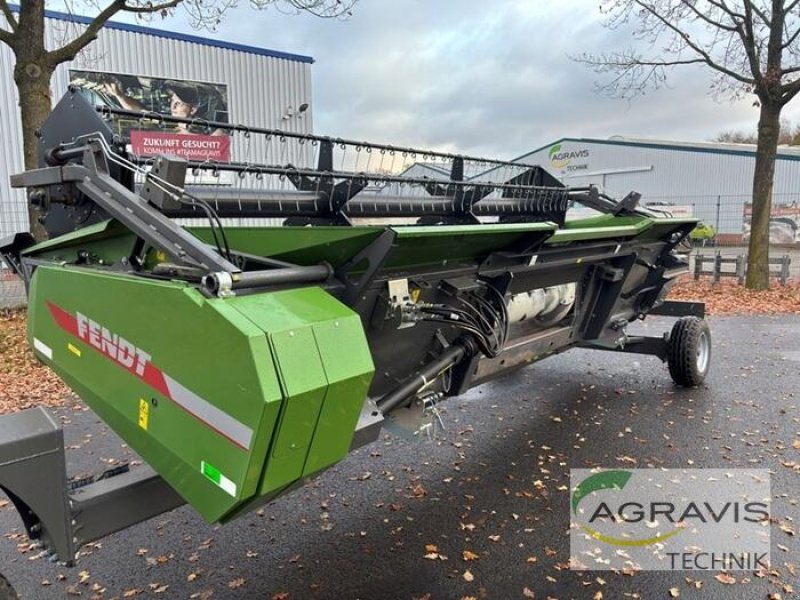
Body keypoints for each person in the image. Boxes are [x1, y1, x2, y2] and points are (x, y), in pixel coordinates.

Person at [103, 79, 224, 135]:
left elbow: (219, 138)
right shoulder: (167, 122)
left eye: (179, 103)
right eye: (172, 101)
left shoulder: (208, 129)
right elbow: (139, 111)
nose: (173, 106)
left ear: (193, 110)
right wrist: (119, 95)